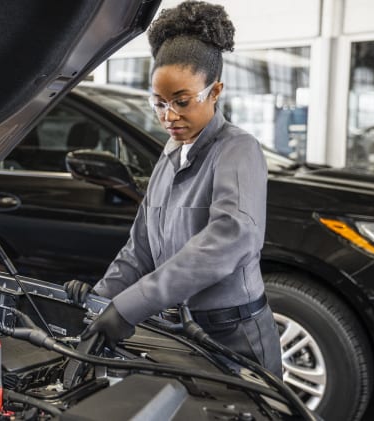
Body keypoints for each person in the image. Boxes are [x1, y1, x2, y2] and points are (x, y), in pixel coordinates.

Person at [65, 0, 282, 377]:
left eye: (182, 102)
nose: (169, 116)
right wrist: (99, 304)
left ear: (215, 92)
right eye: (160, 103)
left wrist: (131, 305)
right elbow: (140, 249)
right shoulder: (169, 154)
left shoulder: (237, 150)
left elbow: (231, 237)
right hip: (180, 334)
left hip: (234, 340)